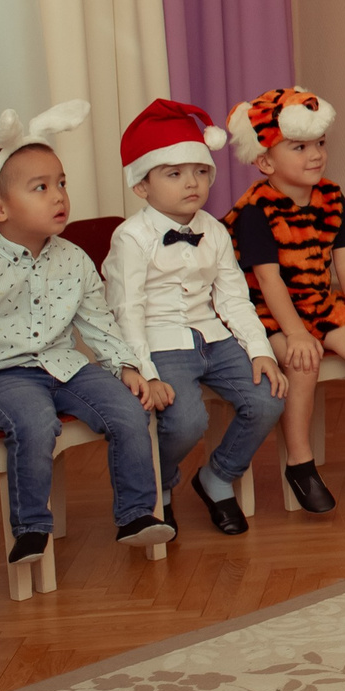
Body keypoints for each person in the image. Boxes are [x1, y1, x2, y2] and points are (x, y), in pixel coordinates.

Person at [0, 102, 174, 563]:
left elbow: (98, 320)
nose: (59, 196)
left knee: (131, 412)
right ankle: (31, 527)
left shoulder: (72, 259)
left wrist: (125, 365)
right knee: (34, 423)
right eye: (41, 188)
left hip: (65, 366)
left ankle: (136, 516)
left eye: (62, 184)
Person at [103, 100, 287, 536]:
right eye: (174, 173)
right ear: (141, 187)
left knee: (268, 399)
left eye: (201, 172)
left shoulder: (216, 229)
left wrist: (259, 350)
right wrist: (145, 372)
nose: (192, 183)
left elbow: (233, 297)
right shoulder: (131, 237)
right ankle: (158, 486)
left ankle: (217, 477)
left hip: (214, 337)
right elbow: (126, 310)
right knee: (186, 421)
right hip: (160, 341)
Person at [223, 87, 345, 513]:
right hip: (268, 311)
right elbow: (267, 281)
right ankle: (300, 462)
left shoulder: (331, 197)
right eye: (299, 147)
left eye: (319, 144)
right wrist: (295, 333)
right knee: (302, 363)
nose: (316, 155)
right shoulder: (255, 210)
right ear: (265, 161)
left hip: (317, 301)